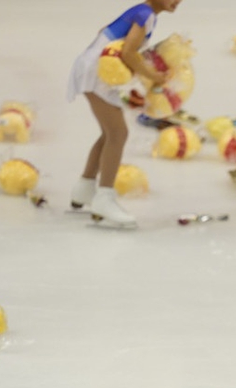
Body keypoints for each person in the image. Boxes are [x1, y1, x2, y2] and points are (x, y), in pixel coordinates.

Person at [66, 0, 181, 228]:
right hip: (94, 73)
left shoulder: (142, 12)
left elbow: (105, 32)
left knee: (109, 133)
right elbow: (128, 52)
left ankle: (85, 188)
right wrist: (152, 75)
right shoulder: (146, 14)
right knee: (118, 134)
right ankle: (104, 198)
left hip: (96, 71)